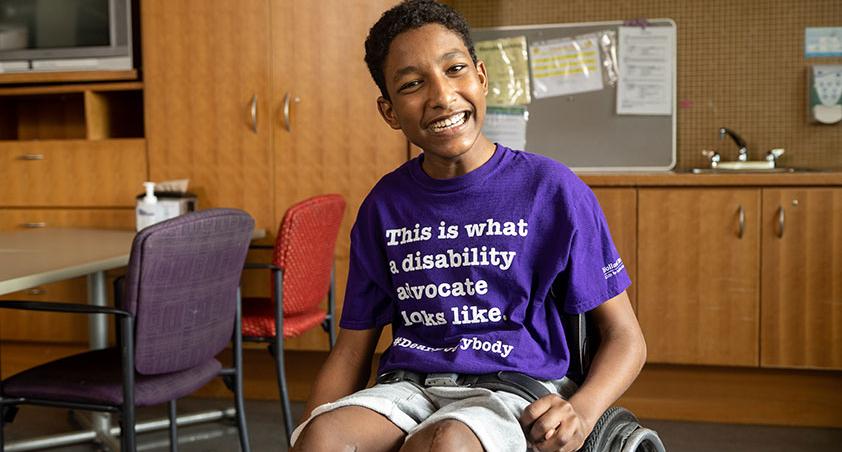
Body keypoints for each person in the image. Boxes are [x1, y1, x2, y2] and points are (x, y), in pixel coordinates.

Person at [291, 1, 646, 451]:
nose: (441, 95)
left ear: (481, 76)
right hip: (410, 387)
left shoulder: (551, 189)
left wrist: (584, 409)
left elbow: (626, 337)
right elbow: (351, 349)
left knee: (445, 441)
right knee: (324, 437)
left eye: (454, 69)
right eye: (413, 84)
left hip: (513, 391)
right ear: (389, 111)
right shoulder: (385, 205)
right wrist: (307, 430)